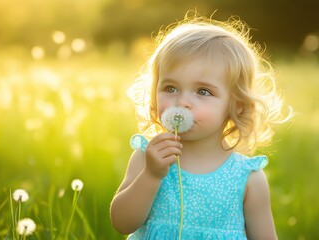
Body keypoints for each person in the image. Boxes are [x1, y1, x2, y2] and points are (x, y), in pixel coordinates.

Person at [110, 13, 292, 240]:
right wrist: (151, 175)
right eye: (171, 88)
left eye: (203, 91)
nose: (182, 101)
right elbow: (122, 223)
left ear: (238, 107)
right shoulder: (148, 157)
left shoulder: (247, 178)